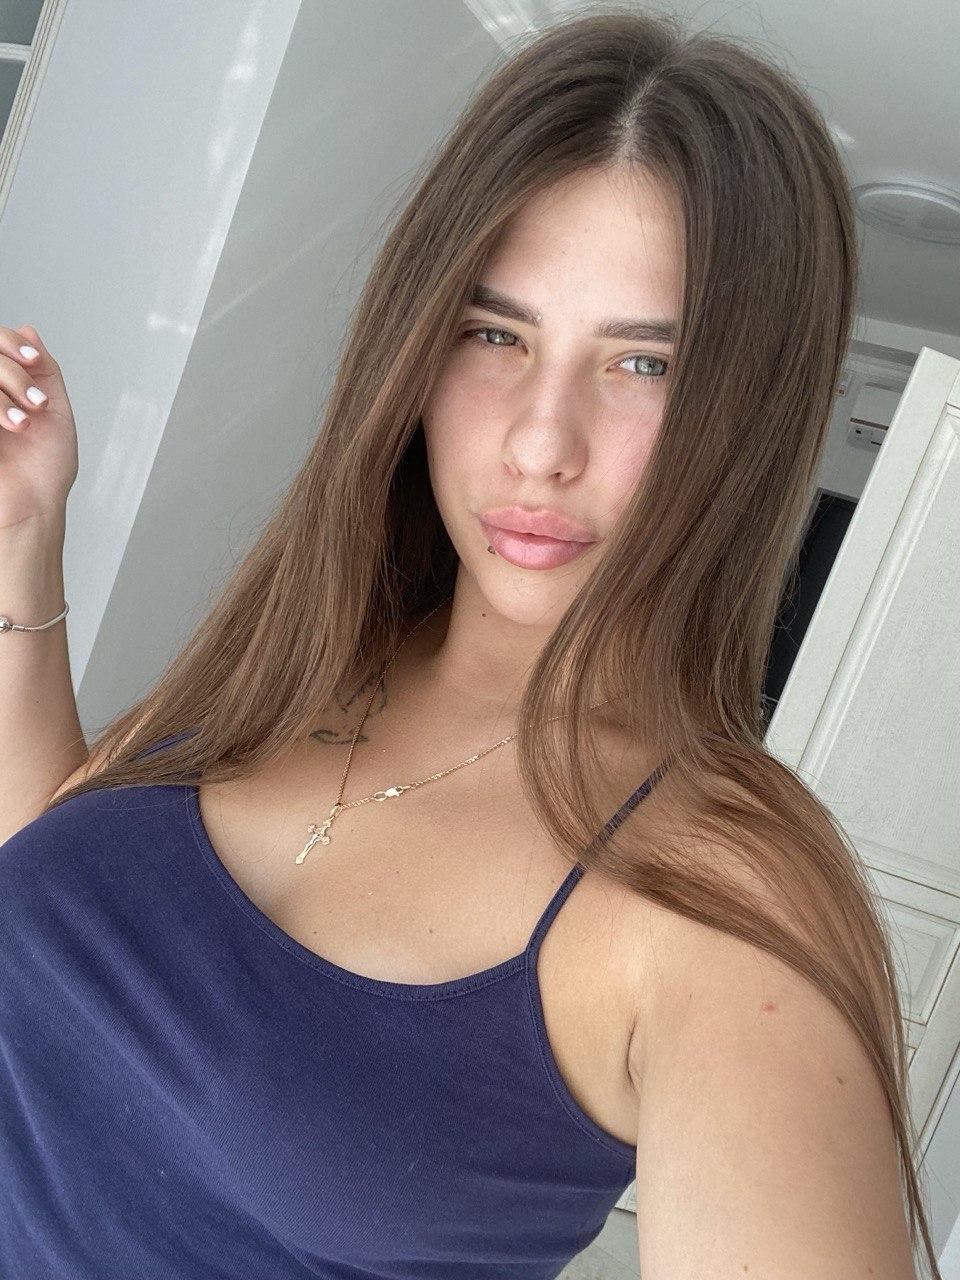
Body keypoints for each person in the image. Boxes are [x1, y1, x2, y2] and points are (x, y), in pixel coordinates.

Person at [0, 8, 935, 1280]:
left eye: (644, 364)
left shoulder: (723, 896)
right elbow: (56, 897)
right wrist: (23, 540)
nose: (540, 442)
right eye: (496, 334)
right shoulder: (300, 652)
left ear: (751, 412)